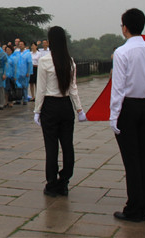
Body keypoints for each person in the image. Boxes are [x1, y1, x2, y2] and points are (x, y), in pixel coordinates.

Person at [110, 8, 145, 223]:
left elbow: (118, 87)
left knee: (131, 159)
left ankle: (134, 207)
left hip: (127, 107)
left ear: (125, 27)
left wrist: (114, 116)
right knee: (144, 156)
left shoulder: (122, 52)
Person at [33, 26, 86, 197]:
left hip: (50, 106)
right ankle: (64, 180)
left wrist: (37, 110)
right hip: (65, 107)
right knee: (67, 145)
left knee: (51, 147)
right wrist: (79, 109)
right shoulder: (69, 61)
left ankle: (51, 182)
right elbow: (73, 88)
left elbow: (41, 89)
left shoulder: (45, 61)